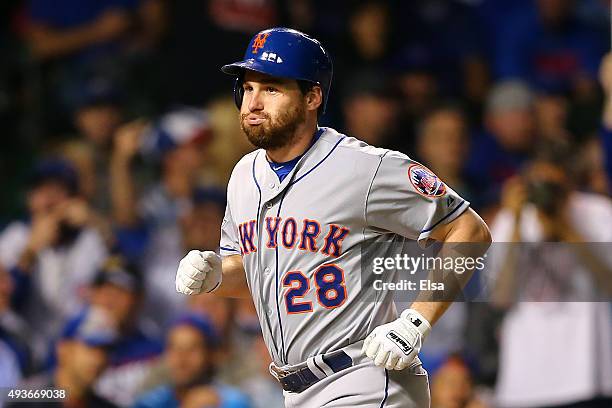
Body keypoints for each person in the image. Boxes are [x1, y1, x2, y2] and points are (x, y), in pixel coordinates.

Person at [175, 27, 491, 407]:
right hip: (297, 389)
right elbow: (259, 275)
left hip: (364, 379)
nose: (253, 102)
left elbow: (470, 229)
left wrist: (416, 320)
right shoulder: (244, 176)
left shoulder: (363, 168)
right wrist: (215, 276)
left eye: (271, 88)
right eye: (248, 88)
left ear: (312, 96)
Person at [489, 152, 612, 407]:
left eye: (553, 185)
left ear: (568, 182)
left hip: (587, 377)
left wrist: (566, 228)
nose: (546, 193)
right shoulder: (509, 221)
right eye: (539, 183)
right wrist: (515, 224)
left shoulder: (597, 212)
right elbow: (500, 298)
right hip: (525, 383)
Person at [0, 159, 107, 345]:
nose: (49, 200)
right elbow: (8, 305)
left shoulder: (90, 239)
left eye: (58, 191)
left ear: (75, 200)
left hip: (81, 346)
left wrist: (98, 224)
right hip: (28, 348)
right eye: (41, 191)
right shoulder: (14, 238)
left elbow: (125, 286)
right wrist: (30, 253)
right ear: (29, 198)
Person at [133, 313, 251, 408]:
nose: (182, 358)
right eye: (175, 348)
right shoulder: (150, 402)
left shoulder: (232, 402)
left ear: (211, 355)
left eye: (192, 349)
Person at [8, 307, 119, 408]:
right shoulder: (27, 396)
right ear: (64, 350)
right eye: (91, 348)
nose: (99, 359)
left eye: (106, 351)